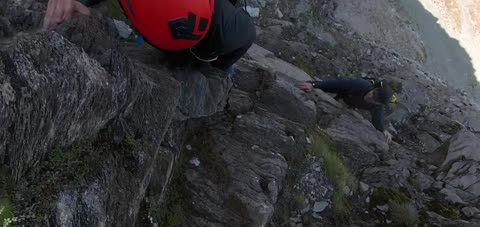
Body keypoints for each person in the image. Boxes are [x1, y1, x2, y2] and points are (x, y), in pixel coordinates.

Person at [42, 0, 256, 76]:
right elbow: (247, 37)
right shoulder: (232, 29)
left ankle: (218, 70)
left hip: (162, 40)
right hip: (202, 38)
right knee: (239, 35)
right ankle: (223, 74)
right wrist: (221, 70)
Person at [300, 78, 393, 144]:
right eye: (373, 93)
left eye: (374, 99)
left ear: (378, 103)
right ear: (375, 89)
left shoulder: (378, 107)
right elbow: (336, 84)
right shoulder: (361, 85)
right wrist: (313, 84)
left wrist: (384, 130)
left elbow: (377, 120)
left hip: (349, 103)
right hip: (342, 94)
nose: (370, 96)